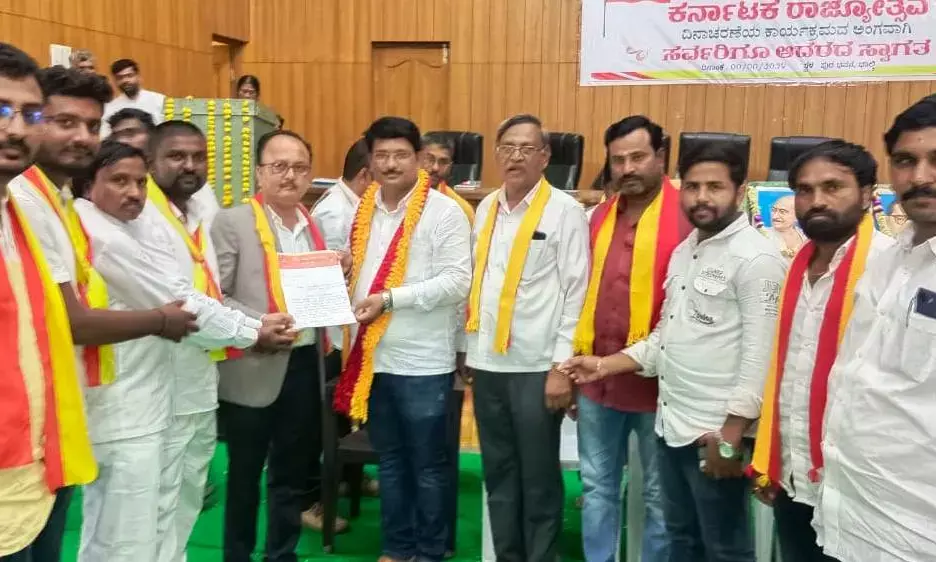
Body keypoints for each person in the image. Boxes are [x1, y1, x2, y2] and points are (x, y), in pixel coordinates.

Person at [8, 65, 198, 561]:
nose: (82, 137)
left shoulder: (55, 198)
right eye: (63, 122)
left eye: (92, 126)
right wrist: (161, 320)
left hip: (53, 410)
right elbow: (71, 320)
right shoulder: (27, 198)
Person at [563, 142, 788, 562]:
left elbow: (762, 357)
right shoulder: (687, 250)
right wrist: (604, 365)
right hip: (671, 424)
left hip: (714, 434)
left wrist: (731, 437)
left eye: (715, 187)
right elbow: (664, 339)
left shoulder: (757, 258)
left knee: (724, 549)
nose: (702, 197)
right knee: (681, 540)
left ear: (740, 191)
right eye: (694, 187)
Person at [71, 140, 285, 562]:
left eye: (139, 182)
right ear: (88, 184)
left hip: (166, 391)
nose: (133, 192)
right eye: (119, 181)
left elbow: (189, 292)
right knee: (124, 534)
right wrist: (254, 331)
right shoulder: (101, 231)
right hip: (124, 402)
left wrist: (247, 327)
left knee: (166, 513)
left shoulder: (149, 221)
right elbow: (182, 301)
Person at [143, 120, 296, 562]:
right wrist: (254, 330)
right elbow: (185, 300)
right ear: (151, 162)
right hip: (155, 382)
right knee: (145, 510)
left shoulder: (198, 214)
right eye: (176, 156)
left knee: (185, 499)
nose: (189, 166)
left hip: (198, 380)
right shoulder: (144, 218)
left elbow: (206, 295)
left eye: (198, 157)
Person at [747, 140, 893, 562]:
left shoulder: (889, 269)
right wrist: (775, 460)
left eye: (833, 187)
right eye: (805, 190)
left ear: (866, 194)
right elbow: (788, 373)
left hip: (860, 487)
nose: (817, 201)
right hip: (796, 476)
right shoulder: (795, 266)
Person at [334, 116, 471, 562]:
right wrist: (343, 270)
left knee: (428, 466)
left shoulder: (444, 212)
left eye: (400, 155)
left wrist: (391, 299)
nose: (391, 164)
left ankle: (430, 552)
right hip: (375, 359)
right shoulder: (365, 208)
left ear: (420, 159)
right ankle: (397, 547)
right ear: (370, 161)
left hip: (422, 363)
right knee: (390, 462)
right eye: (382, 156)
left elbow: (457, 282)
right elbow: (363, 277)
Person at [211, 129, 349, 558]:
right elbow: (216, 296)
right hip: (252, 363)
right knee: (244, 476)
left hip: (306, 364)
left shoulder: (313, 226)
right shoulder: (232, 222)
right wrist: (259, 325)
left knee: (290, 474)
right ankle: (237, 555)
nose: (290, 176)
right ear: (259, 172)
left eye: (300, 168)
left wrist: (336, 279)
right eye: (279, 166)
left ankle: (281, 553)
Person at [813, 97, 936, 562]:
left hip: (916, 536)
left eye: (935, 160)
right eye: (905, 161)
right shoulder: (887, 260)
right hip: (852, 516)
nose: (920, 177)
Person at [465, 114, 589, 562]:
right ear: (497, 154)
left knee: (538, 477)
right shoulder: (486, 208)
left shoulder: (565, 212)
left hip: (536, 367)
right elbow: (479, 284)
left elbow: (577, 292)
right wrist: (468, 351)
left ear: (545, 156)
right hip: (487, 362)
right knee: (498, 474)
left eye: (526, 148)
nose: (515, 157)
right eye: (507, 148)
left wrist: (560, 367)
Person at [573, 116, 691, 562]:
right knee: (597, 486)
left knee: (660, 496)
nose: (627, 169)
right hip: (597, 381)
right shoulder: (598, 217)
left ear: (660, 157)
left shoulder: (689, 218)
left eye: (638, 157)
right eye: (618, 160)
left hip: (661, 386)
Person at [0, 41, 96, 562]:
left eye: (30, 114)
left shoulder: (15, 212)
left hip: (31, 465)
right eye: (1, 110)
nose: (16, 128)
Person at [101, 59, 165, 137]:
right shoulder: (110, 108)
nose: (125, 80)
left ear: (138, 76)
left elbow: (173, 130)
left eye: (129, 76)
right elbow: (105, 136)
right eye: (120, 78)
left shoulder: (162, 100)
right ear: (115, 81)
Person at [420, 132, 475, 222]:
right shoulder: (398, 197)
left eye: (443, 162)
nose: (435, 168)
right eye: (429, 159)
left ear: (450, 166)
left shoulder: (462, 209)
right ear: (416, 158)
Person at [766, 195, 807, 260]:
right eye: (773, 210)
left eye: (782, 212)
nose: (775, 216)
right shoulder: (763, 235)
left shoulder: (805, 236)